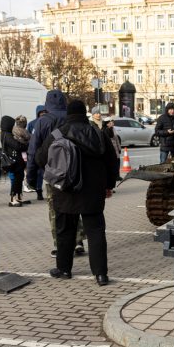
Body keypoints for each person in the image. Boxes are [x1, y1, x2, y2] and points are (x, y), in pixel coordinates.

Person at [36, 99, 119, 285]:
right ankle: (100, 274)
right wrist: (109, 185)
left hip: (65, 190)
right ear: (85, 113)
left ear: (68, 114)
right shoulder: (97, 133)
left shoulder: (57, 134)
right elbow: (112, 161)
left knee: (65, 231)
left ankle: (64, 269)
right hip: (92, 191)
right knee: (96, 232)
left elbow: (41, 158)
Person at [28, 90, 85, 256]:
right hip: (75, 171)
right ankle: (78, 240)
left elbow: (33, 150)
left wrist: (31, 177)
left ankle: (60, 244)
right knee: (74, 204)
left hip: (52, 173)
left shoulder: (42, 122)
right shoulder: (72, 118)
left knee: (55, 209)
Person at [0, 115, 30, 207]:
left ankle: (19, 197)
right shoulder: (7, 134)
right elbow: (17, 146)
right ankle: (13, 199)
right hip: (14, 161)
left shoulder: (5, 133)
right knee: (16, 180)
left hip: (16, 160)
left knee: (19, 178)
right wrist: (26, 146)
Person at [27, 105, 47, 200]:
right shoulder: (32, 124)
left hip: (47, 150)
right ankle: (39, 191)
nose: (43, 114)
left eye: (44, 112)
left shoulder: (49, 121)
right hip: (37, 151)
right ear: (38, 113)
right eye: (41, 112)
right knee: (39, 173)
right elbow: (29, 137)